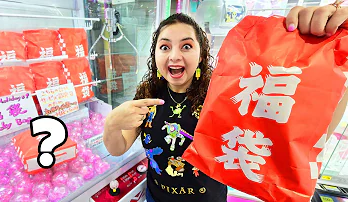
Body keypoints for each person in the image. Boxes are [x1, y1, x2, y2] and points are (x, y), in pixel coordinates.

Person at [103, 3, 348, 202]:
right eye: (164, 46)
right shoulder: (148, 93)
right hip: (155, 198)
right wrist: (111, 124)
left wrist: (336, 64)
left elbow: (312, 134)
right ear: (155, 54)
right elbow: (118, 147)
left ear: (201, 53)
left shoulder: (223, 93)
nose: (174, 55)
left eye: (186, 46)